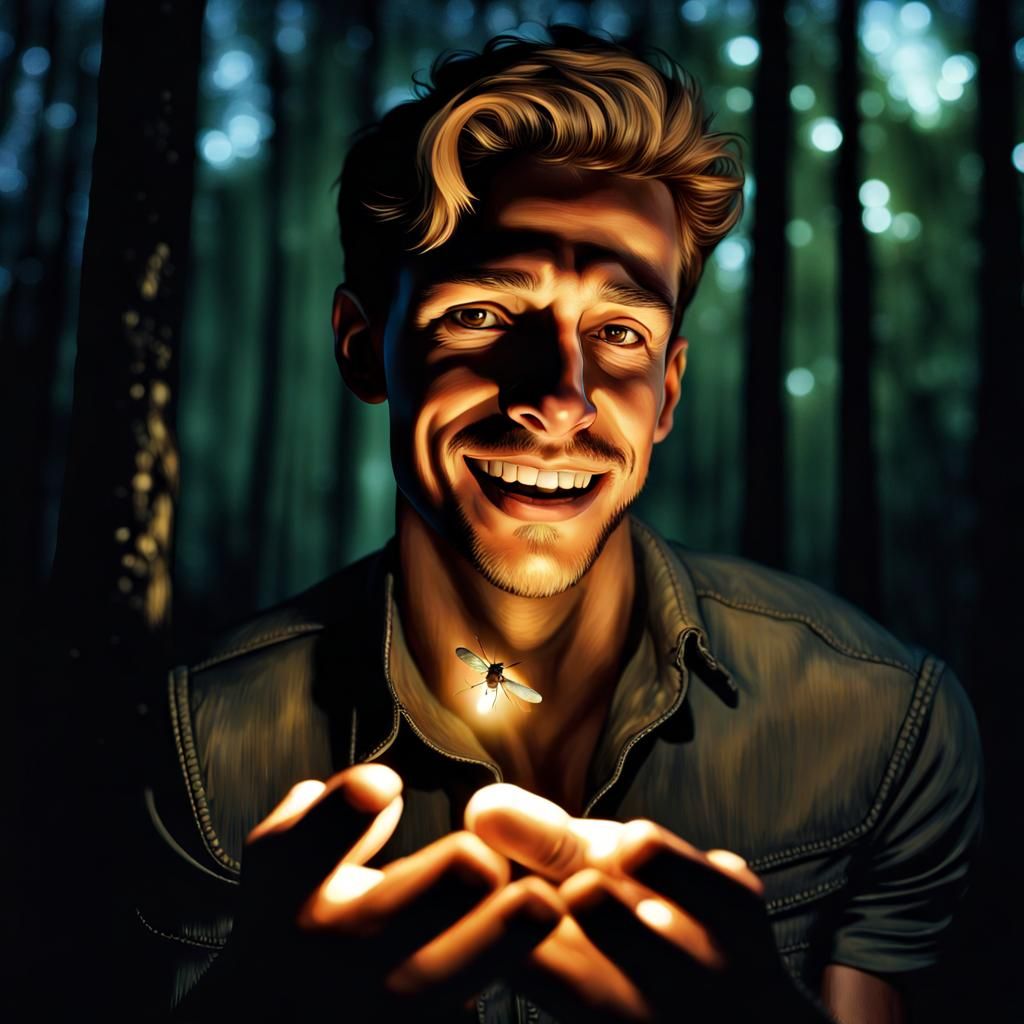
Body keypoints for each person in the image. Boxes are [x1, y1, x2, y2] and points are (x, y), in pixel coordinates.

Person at [136, 26, 982, 1024]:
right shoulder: (202, 746)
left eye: (619, 333)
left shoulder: (880, 725)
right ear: (366, 351)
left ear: (666, 393)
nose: (559, 398)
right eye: (485, 315)